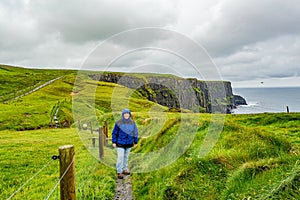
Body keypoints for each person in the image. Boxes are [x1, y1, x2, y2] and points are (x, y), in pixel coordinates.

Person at [112, 109, 138, 179]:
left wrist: (135, 142)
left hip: (129, 143)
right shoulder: (118, 123)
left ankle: (124, 169)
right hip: (120, 143)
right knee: (120, 156)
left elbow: (135, 133)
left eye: (127, 114)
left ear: (129, 114)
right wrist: (114, 142)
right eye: (125, 114)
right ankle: (119, 171)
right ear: (123, 115)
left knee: (126, 157)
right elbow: (114, 133)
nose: (126, 115)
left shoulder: (133, 123)